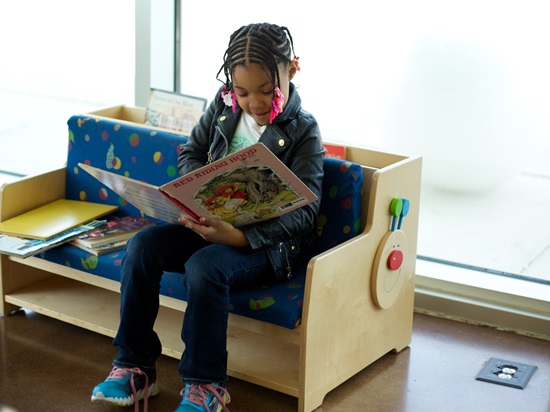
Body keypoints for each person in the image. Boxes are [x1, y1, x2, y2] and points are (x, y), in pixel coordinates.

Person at [91, 22, 324, 412]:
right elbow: (191, 153)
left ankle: (206, 385)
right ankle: (134, 367)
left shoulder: (304, 131)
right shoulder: (222, 106)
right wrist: (194, 192)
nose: (254, 103)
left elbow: (306, 211)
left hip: (264, 247)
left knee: (204, 267)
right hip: (209, 226)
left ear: (292, 70)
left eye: (267, 91)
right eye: (243, 91)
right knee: (142, 247)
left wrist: (239, 237)